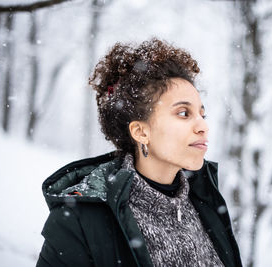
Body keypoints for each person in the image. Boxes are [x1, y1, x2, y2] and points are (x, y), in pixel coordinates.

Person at [36, 38, 242, 267]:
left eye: (202, 114)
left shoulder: (205, 203)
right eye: (184, 113)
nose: (203, 126)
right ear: (141, 132)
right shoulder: (80, 220)